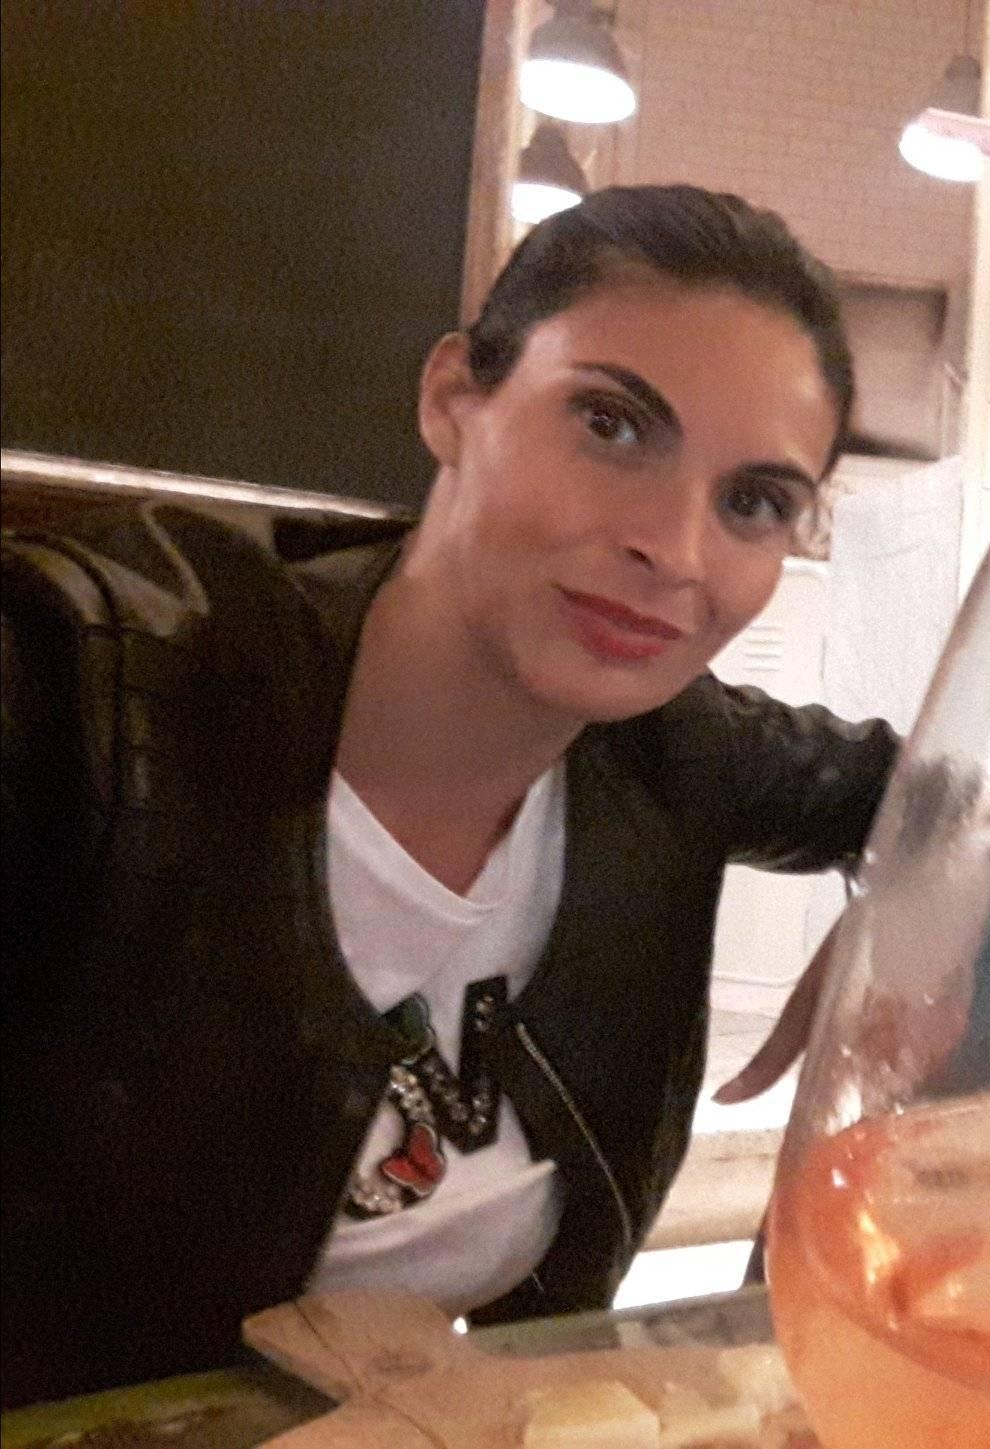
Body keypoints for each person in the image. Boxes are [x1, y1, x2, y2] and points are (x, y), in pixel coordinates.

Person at [1, 184, 899, 1408]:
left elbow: (961, 801)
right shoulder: (90, 687)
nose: (674, 550)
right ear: (452, 399)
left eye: (751, 502)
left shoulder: (675, 757)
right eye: (610, 425)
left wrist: (916, 914)